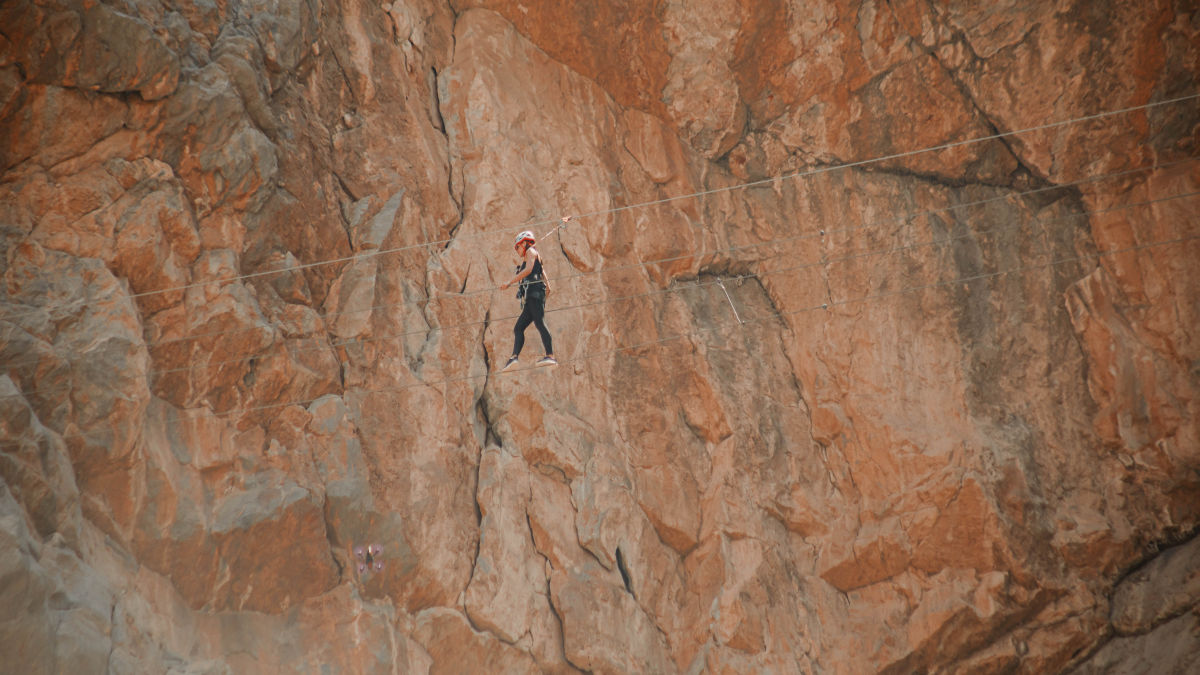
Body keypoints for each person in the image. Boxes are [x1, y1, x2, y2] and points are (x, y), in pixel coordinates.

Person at [500, 224, 561, 370]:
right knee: (519, 327)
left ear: (524, 243)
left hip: (534, 294)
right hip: (533, 296)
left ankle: (550, 356)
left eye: (517, 247)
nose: (517, 251)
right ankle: (514, 358)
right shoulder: (534, 255)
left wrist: (509, 282)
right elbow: (544, 277)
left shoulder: (531, 252)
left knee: (540, 323)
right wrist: (545, 291)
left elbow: (528, 270)